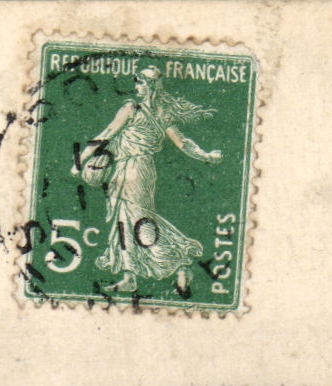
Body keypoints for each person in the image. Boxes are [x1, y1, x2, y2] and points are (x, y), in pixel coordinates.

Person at [73, 65, 223, 294]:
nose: (136, 87)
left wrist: (80, 159)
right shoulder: (163, 114)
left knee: (135, 220)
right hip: (137, 170)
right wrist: (206, 156)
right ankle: (131, 275)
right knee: (128, 220)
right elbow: (184, 144)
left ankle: (179, 265)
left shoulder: (131, 108)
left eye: (140, 82)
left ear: (151, 85)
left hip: (133, 170)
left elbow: (107, 134)